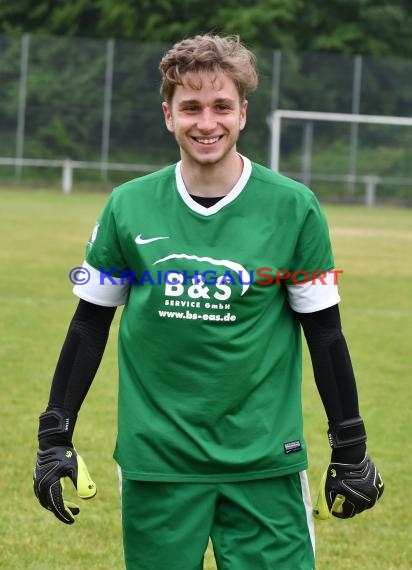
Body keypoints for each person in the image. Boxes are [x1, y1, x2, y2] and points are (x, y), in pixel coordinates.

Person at [33, 34, 383, 570]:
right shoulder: (128, 206)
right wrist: (54, 434)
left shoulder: (294, 208)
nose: (206, 122)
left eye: (222, 106)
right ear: (167, 115)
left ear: (243, 113)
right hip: (159, 463)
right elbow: (89, 326)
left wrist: (350, 445)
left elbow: (325, 334)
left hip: (264, 461)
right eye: (190, 107)